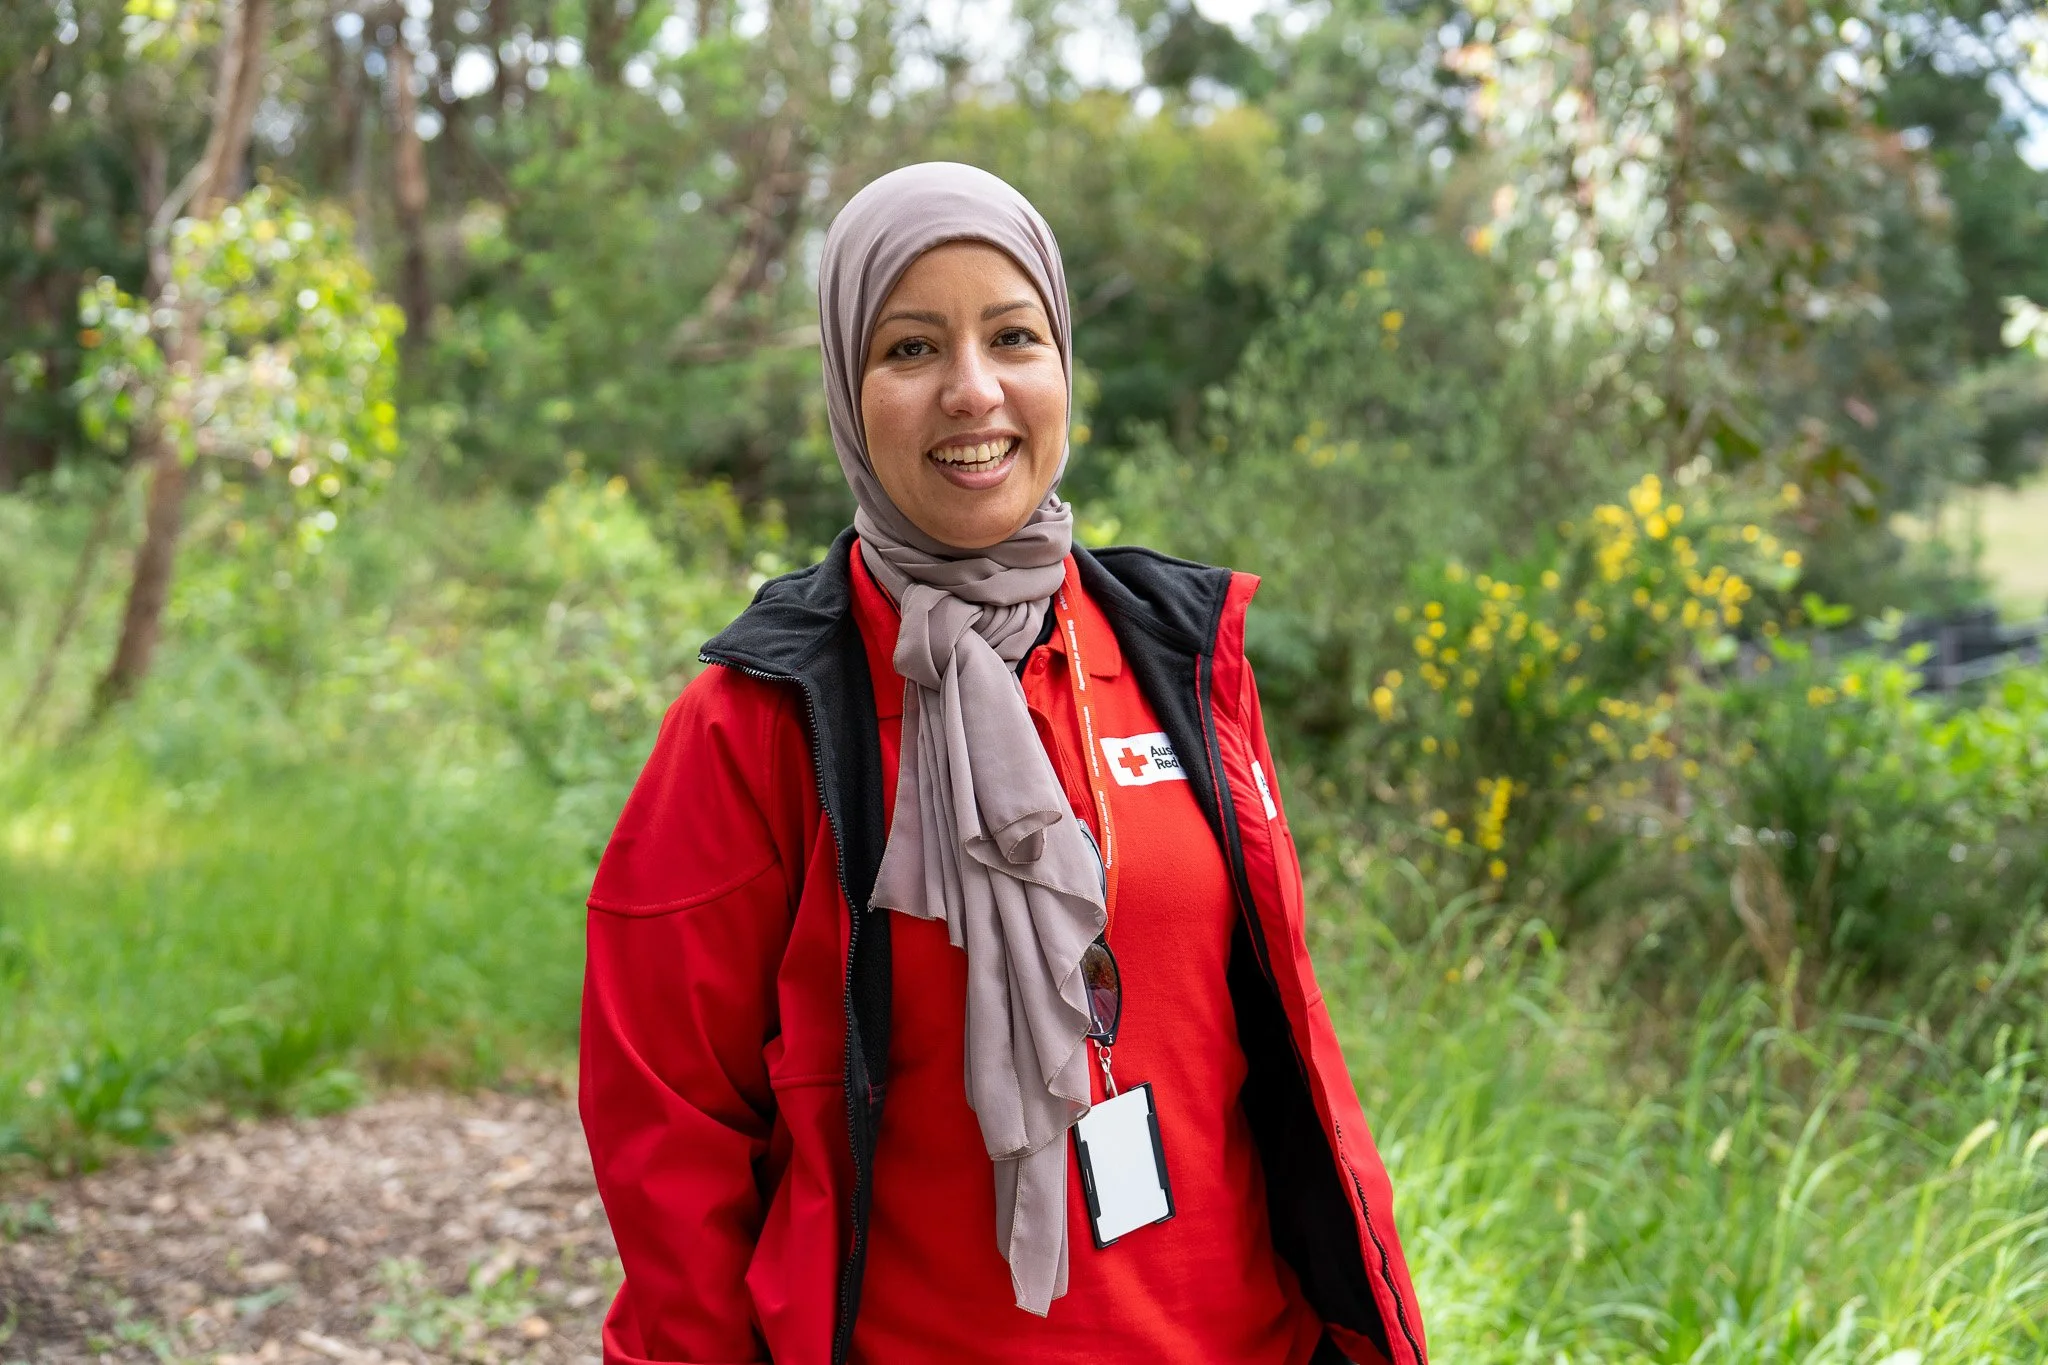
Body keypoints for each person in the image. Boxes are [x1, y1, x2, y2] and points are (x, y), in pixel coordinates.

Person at [578, 162, 1428, 1365]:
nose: (973, 392)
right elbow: (667, 1131)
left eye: (1012, 336)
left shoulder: (1179, 657)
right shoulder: (759, 722)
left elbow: (1290, 1051)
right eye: (911, 348)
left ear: (1063, 361)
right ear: (845, 387)